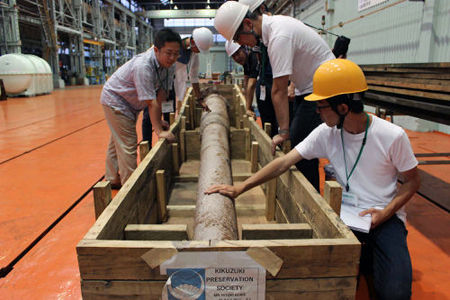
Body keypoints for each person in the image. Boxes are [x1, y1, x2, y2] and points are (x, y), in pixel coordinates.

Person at [206, 59, 420, 300]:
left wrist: (386, 213)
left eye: (321, 106)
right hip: (344, 216)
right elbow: (284, 163)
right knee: (321, 280)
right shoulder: (326, 133)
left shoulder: (391, 136)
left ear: (343, 107)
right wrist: (241, 187)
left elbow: (412, 181)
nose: (317, 112)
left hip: (384, 217)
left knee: (396, 293)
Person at [214, 1, 335, 191]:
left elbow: (278, 90)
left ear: (248, 24)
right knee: (303, 147)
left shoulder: (279, 35)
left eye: (238, 39)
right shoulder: (273, 31)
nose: (241, 44)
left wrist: (283, 132)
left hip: (323, 89)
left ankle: (310, 205)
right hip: (309, 88)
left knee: (299, 148)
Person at [100, 28, 181, 188]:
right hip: (116, 101)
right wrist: (158, 130)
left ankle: (111, 178)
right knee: (128, 144)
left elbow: (162, 93)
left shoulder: (169, 64)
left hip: (131, 104)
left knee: (117, 141)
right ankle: (131, 188)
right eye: (169, 53)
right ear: (156, 50)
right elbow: (152, 102)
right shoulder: (143, 66)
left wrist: (160, 121)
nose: (172, 58)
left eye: (176, 53)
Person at [142, 27, 213, 143]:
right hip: (154, 84)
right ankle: (148, 144)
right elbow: (149, 64)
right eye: (198, 49)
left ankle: (166, 143)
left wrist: (200, 99)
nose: (198, 52)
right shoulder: (169, 46)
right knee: (148, 117)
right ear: (193, 42)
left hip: (169, 87)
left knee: (168, 113)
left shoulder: (193, 54)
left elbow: (194, 77)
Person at [225, 40, 259, 120]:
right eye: (233, 56)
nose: (237, 58)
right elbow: (246, 82)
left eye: (237, 53)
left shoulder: (253, 56)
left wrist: (247, 109)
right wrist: (247, 104)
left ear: (244, 48)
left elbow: (251, 85)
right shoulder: (245, 62)